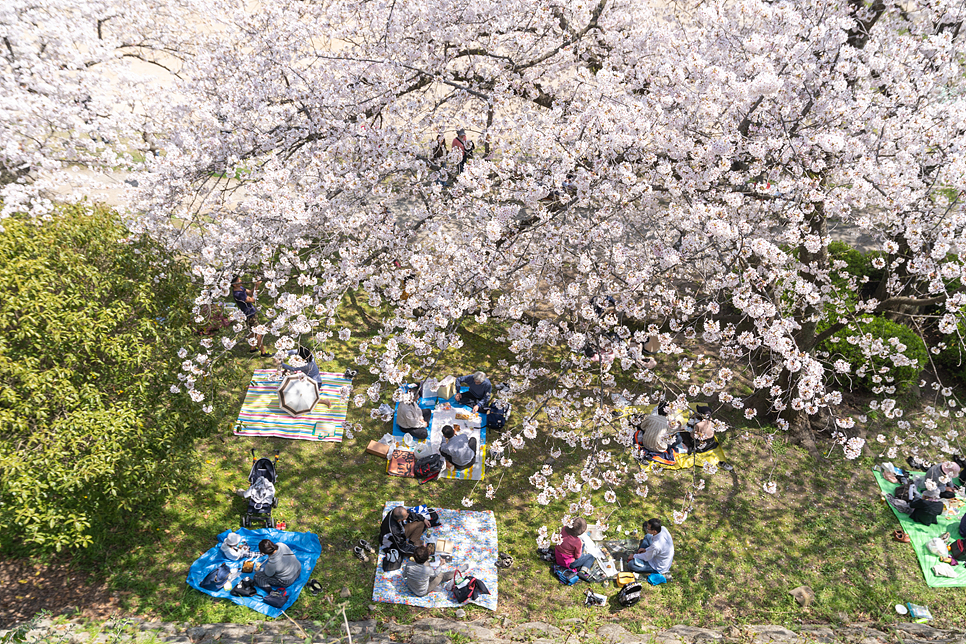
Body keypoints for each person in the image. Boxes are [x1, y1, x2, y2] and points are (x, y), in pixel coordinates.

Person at [231, 275, 268, 356]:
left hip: (251, 312)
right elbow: (252, 299)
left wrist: (255, 285)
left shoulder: (241, 288)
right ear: (234, 284)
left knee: (253, 331)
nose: (240, 280)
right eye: (238, 280)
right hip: (249, 314)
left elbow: (251, 292)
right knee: (258, 333)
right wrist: (257, 286)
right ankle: (263, 352)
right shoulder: (238, 294)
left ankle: (252, 348)